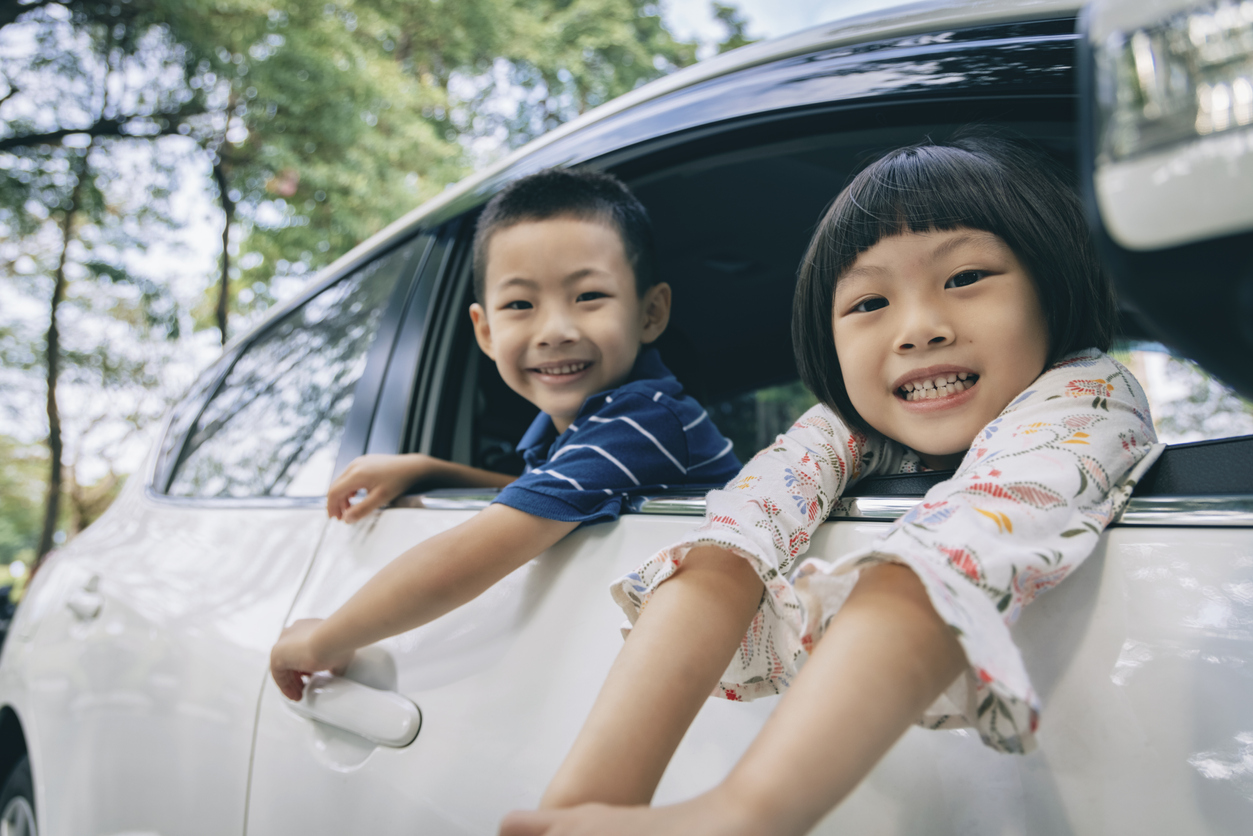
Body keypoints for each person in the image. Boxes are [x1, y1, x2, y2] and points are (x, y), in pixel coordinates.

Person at [500, 136, 1163, 836]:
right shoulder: (849, 423)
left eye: (964, 277)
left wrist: (742, 814)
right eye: (869, 301)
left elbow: (949, 552)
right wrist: (578, 810)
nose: (917, 329)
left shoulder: (1086, 394)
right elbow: (736, 535)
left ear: (1051, 286)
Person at [270, 168, 741, 701]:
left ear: (651, 313)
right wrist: (432, 469)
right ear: (486, 331)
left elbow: (470, 555)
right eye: (521, 304)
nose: (555, 330)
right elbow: (543, 490)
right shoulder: (597, 433)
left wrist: (323, 639)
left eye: (588, 295)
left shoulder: (645, 421)